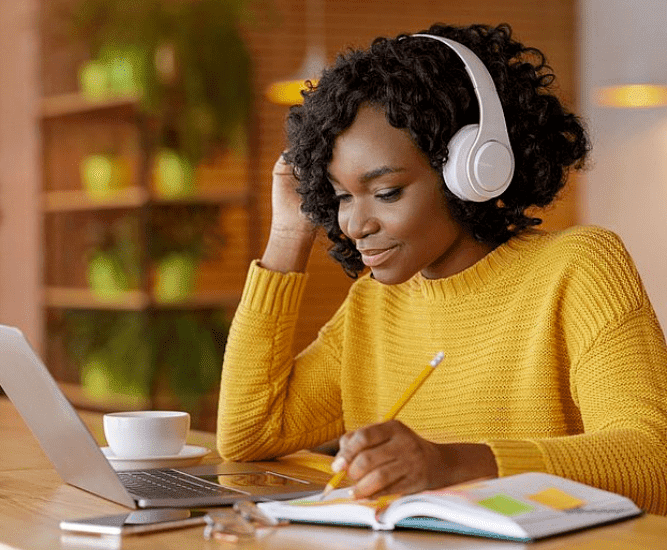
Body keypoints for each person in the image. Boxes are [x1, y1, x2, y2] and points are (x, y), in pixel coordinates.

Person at [215, 23, 667, 515]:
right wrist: (287, 236)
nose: (354, 224)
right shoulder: (375, 303)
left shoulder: (580, 267)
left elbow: (652, 461)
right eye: (341, 197)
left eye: (386, 193)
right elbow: (249, 433)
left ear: (471, 169)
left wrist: (452, 464)